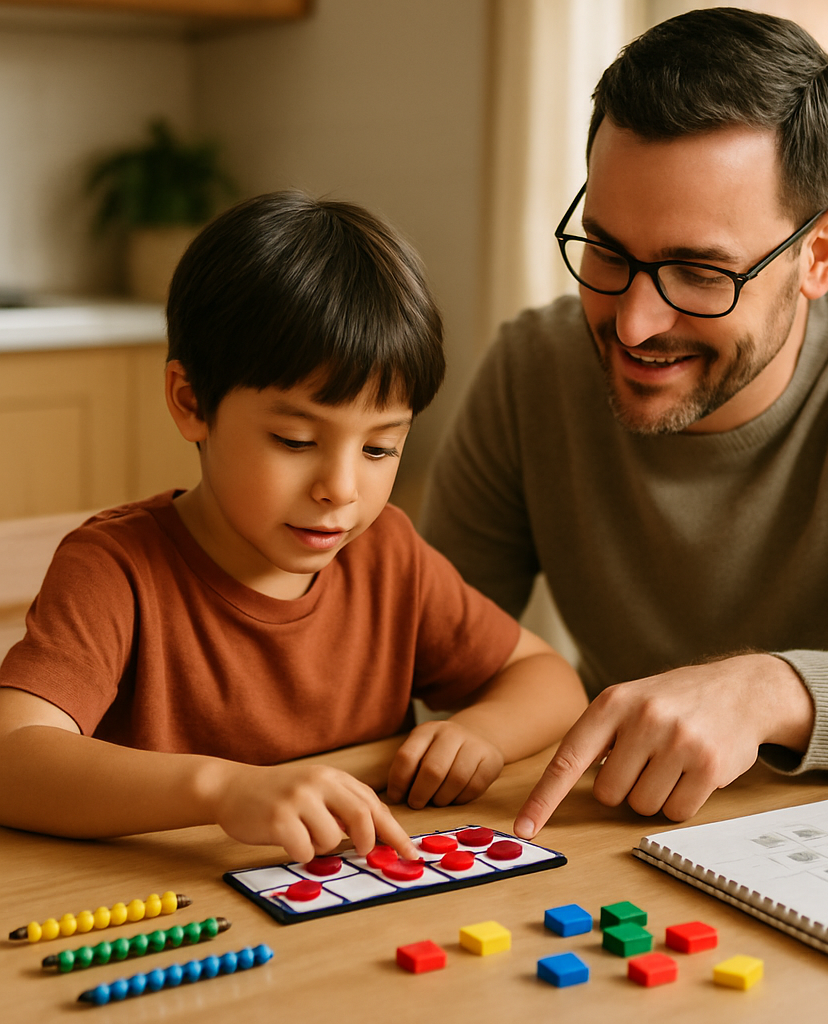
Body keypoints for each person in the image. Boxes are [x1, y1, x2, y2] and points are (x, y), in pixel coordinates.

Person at [419, 7, 828, 841]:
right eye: (607, 251)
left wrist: (770, 691)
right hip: (617, 840)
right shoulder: (531, 367)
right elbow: (430, 655)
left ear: (819, 257)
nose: (632, 323)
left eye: (699, 272)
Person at [0, 191, 587, 863]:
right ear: (192, 403)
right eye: (295, 440)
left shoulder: (388, 555)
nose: (340, 488)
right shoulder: (114, 570)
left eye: (379, 449)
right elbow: (13, 757)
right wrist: (223, 789)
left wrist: (482, 732)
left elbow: (548, 678)